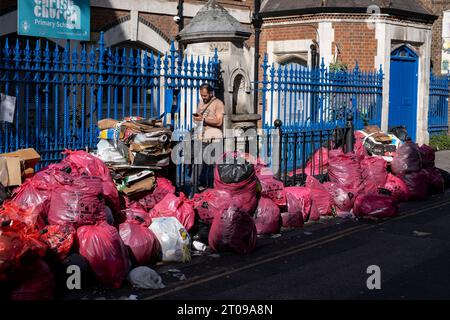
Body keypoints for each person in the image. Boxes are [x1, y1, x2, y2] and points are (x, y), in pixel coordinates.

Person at [191, 83, 225, 192]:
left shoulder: (218, 104)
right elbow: (199, 118)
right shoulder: (201, 103)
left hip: (214, 139)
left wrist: (204, 120)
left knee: (212, 165)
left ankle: (213, 189)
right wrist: (196, 119)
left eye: (205, 95)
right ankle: (195, 188)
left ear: (211, 93)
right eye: (202, 95)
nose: (203, 97)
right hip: (201, 137)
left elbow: (219, 121)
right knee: (198, 164)